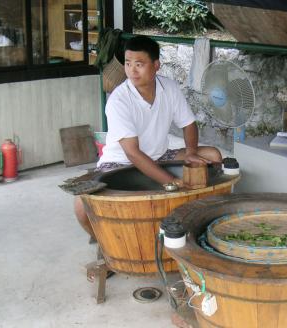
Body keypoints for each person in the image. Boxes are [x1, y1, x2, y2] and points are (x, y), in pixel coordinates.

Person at [74, 35, 222, 240]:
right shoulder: (119, 100)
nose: (132, 70)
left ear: (156, 65)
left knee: (212, 155)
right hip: (120, 163)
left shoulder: (168, 87)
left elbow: (189, 124)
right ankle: (105, 244)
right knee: (82, 206)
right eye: (128, 63)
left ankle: (201, 222)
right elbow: (133, 154)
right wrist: (171, 181)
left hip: (161, 156)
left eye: (139, 64)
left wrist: (190, 153)